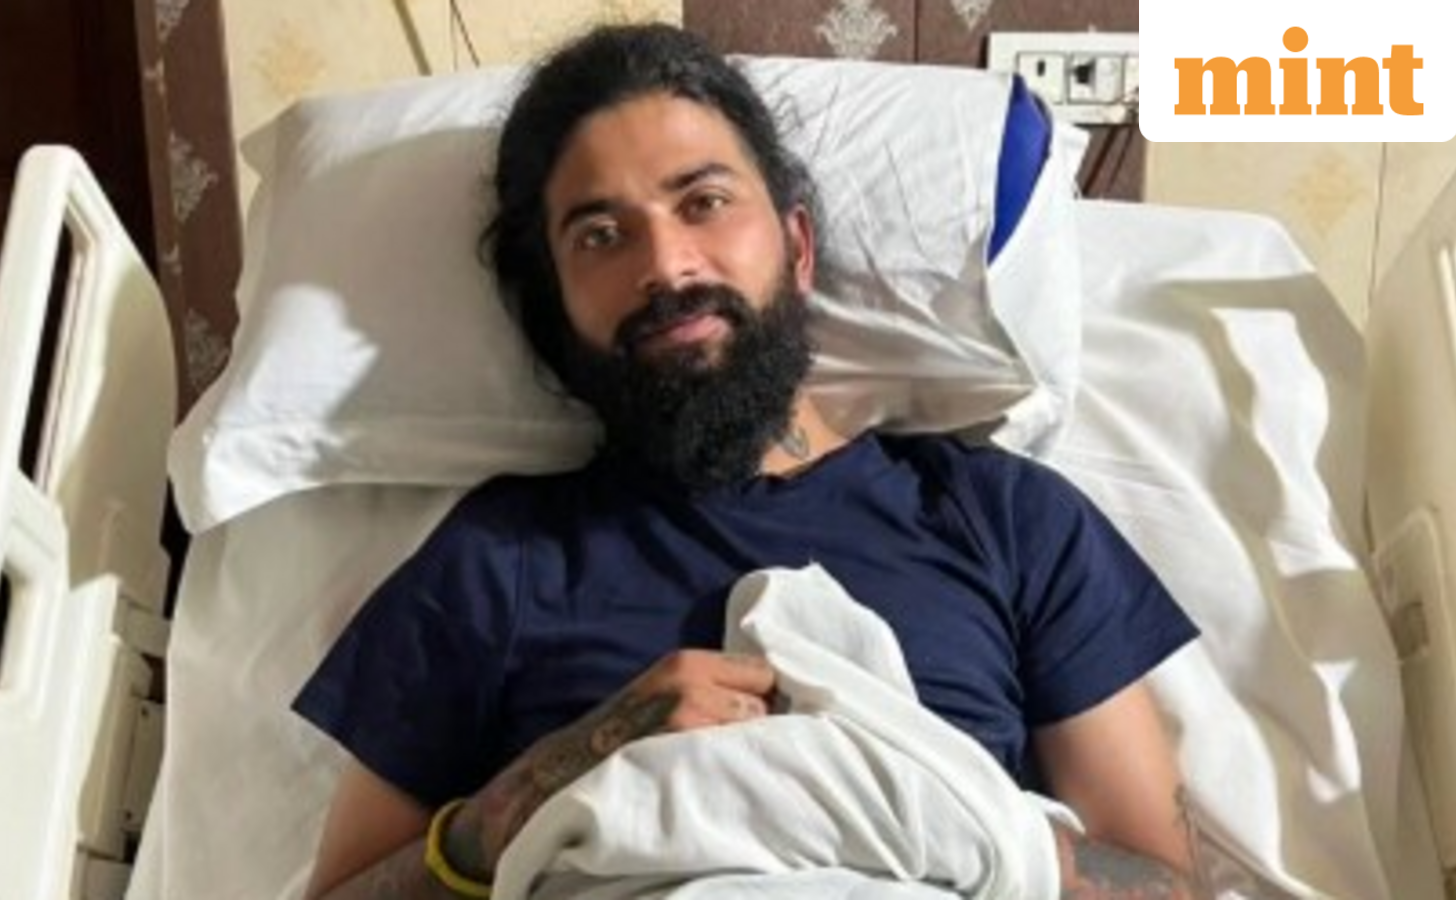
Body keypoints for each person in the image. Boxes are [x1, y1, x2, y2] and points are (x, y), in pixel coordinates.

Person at [296, 23, 1204, 900]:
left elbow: (1171, 887)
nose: (667, 266)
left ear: (798, 246)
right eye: (600, 234)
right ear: (556, 309)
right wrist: (563, 772)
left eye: (703, 202)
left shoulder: (1007, 520)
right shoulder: (498, 559)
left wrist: (921, 804)